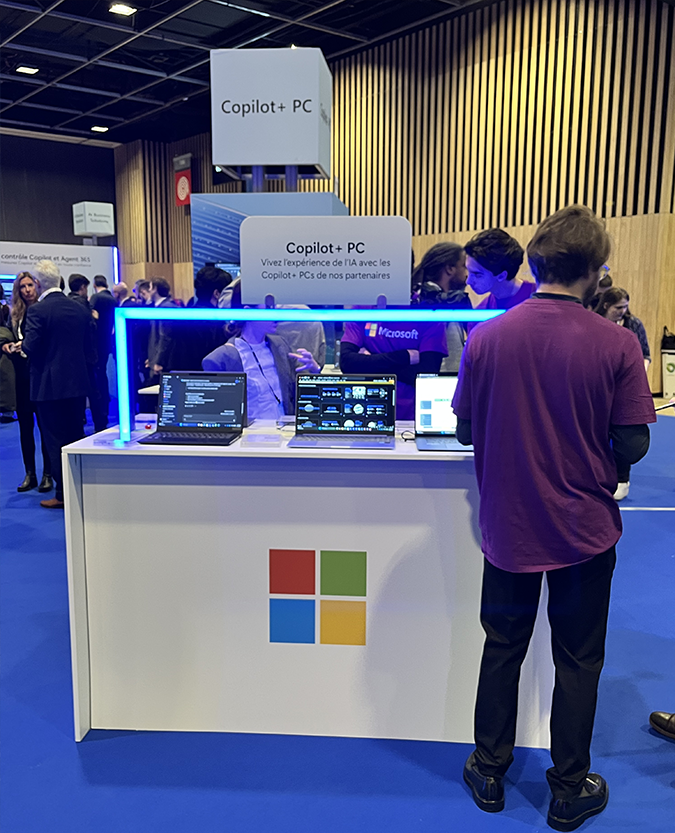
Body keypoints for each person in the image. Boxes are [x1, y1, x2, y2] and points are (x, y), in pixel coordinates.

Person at [452, 206, 656, 831]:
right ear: (595, 272)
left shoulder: (488, 337)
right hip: (583, 529)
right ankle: (568, 789)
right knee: (579, 658)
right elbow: (634, 442)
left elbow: (464, 430)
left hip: (508, 526)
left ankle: (489, 769)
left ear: (536, 263)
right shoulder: (617, 343)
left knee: (502, 646)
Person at [22, 260, 96, 509]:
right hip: (77, 384)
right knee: (76, 437)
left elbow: (30, 347)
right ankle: (80, 489)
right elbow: (90, 349)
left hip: (48, 387)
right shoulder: (79, 308)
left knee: (54, 441)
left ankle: (63, 494)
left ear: (38, 283)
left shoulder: (37, 311)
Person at [202, 287, 320, 421]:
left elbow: (303, 394)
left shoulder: (280, 345)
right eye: (270, 308)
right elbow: (218, 415)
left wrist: (314, 370)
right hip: (248, 433)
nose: (277, 315)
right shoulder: (221, 359)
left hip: (284, 429)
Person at [595, 287, 651, 501]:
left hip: (626, 387)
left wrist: (637, 379)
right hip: (601, 386)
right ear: (606, 305)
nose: (623, 311)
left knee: (624, 432)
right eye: (619, 307)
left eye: (626, 307)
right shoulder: (594, 322)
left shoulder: (633, 324)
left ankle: (622, 479)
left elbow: (645, 354)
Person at [0, 273, 53, 492]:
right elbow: (6, 334)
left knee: (45, 428)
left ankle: (48, 474)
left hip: (41, 375)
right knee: (25, 428)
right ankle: (30, 474)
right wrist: (6, 345)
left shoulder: (43, 310)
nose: (27, 290)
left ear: (37, 286)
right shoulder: (14, 314)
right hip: (21, 377)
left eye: (30, 285)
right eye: (22, 287)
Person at [340, 318, 447, 420]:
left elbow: (427, 375)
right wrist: (404, 356)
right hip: (363, 412)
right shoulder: (363, 311)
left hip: (412, 416)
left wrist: (370, 362)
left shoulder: (429, 316)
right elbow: (347, 363)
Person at [411, 242, 471, 372]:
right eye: (464, 266)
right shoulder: (427, 302)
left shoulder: (450, 301)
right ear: (450, 269)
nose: (467, 274)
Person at [464, 229, 533, 325]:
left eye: (477, 274)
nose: (468, 281)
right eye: (468, 271)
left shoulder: (540, 300)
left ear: (501, 276)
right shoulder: (479, 316)